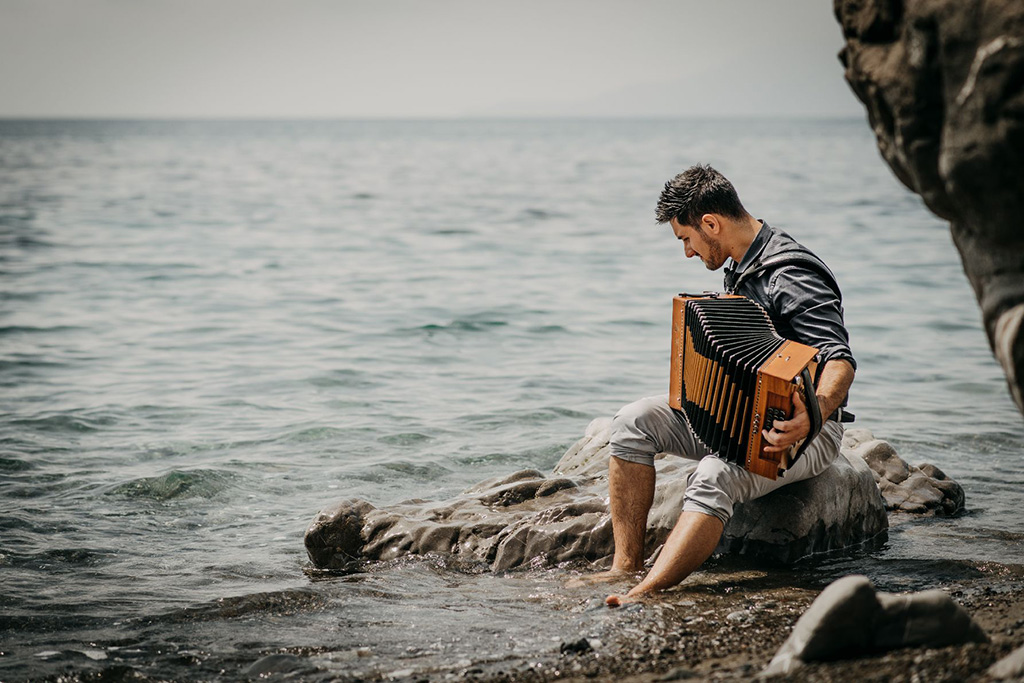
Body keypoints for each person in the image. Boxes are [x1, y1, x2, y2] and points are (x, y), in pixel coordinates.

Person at [601, 164, 856, 606]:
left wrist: (812, 415)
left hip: (801, 430)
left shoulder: (789, 272)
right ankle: (625, 567)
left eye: (686, 239)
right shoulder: (741, 265)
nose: (686, 252)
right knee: (631, 422)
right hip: (738, 416)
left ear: (711, 223)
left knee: (714, 473)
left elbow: (838, 358)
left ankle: (648, 591)